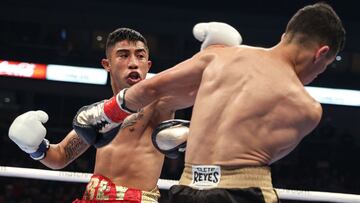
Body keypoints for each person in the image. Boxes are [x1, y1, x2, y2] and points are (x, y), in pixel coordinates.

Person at [71, 2, 346, 203]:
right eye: (325, 66)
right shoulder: (307, 108)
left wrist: (104, 116)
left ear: (287, 34)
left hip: (188, 188)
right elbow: (256, 150)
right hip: (243, 190)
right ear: (321, 54)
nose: (318, 74)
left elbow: (152, 87)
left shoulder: (220, 56)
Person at [8, 24, 242, 202]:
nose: (133, 62)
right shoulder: (99, 114)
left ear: (148, 65)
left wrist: (219, 54)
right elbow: (60, 157)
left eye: (140, 56)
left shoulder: (161, 102)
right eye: (123, 55)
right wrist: (35, 147)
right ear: (107, 64)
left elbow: (197, 85)